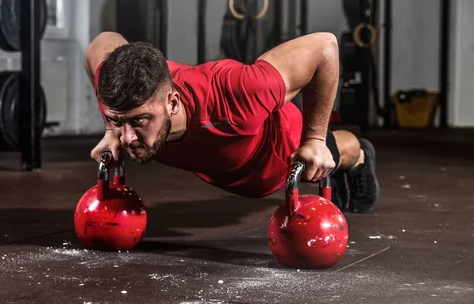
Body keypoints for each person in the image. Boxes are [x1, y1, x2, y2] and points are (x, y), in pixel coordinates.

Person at [84, 31, 379, 213]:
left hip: (279, 153)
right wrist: (111, 128)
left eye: (138, 121)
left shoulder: (236, 93)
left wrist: (314, 139)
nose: (127, 138)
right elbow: (101, 42)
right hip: (224, 166)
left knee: (325, 156)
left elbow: (325, 46)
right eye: (116, 121)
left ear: (172, 102)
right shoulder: (119, 94)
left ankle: (359, 154)